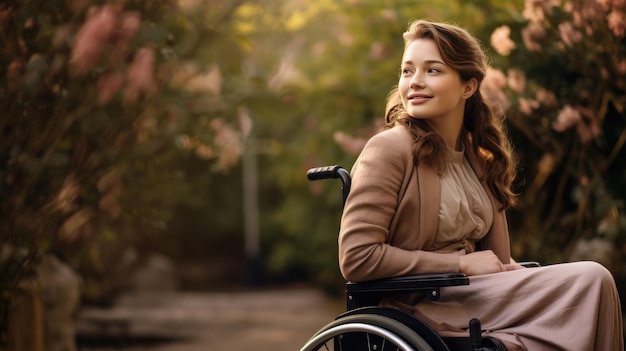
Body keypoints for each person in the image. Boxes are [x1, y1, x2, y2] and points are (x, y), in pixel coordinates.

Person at [338, 19, 624, 351]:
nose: (414, 82)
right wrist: (458, 264)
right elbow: (357, 257)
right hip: (424, 304)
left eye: (432, 70)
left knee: (587, 295)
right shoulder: (390, 149)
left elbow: (499, 262)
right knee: (592, 279)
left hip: (479, 296)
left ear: (467, 87)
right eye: (407, 71)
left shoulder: (480, 160)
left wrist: (510, 269)